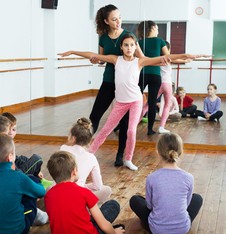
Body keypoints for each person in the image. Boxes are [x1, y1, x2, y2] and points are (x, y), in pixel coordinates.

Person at [58, 34, 202, 171]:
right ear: (121, 47)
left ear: (135, 47)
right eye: (126, 45)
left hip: (135, 100)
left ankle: (128, 159)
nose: (129, 48)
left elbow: (166, 56)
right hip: (121, 102)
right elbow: (92, 55)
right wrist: (72, 52)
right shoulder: (115, 59)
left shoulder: (140, 61)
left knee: (131, 130)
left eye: (132, 45)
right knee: (106, 129)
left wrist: (186, 55)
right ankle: (89, 154)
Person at [59, 4, 144, 168]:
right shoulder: (103, 37)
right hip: (109, 81)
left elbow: (141, 59)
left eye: (119, 17)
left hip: (128, 85)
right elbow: (100, 57)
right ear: (106, 21)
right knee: (94, 117)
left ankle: (121, 156)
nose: (118, 21)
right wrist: (93, 58)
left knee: (125, 124)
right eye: (114, 19)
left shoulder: (129, 36)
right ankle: (83, 149)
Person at [45, 150, 125, 234]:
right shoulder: (83, 192)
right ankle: (108, 232)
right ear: (74, 171)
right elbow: (103, 224)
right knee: (113, 205)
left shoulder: (48, 195)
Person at [129, 132, 203, 234]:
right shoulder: (188, 177)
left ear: (158, 152)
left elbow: (150, 206)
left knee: (135, 200)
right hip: (182, 229)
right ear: (180, 152)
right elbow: (186, 204)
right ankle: (179, 222)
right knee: (197, 198)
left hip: (156, 229)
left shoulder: (152, 178)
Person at [0, 134, 47, 234]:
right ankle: (42, 217)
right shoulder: (18, 177)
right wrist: (38, 184)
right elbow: (41, 192)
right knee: (32, 181)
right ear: (10, 157)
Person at [60, 117, 112, 204]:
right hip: (77, 197)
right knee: (107, 190)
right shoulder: (91, 157)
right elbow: (98, 186)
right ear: (89, 141)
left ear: (73, 138)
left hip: (60, 194)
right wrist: (84, 185)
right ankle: (89, 209)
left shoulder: (63, 148)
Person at [2, 112, 53, 189]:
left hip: (14, 172)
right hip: (15, 176)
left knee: (23, 159)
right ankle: (39, 180)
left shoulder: (6, 143)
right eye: (9, 129)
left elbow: (17, 159)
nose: (11, 133)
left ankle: (39, 179)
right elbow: (12, 167)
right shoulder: (6, 144)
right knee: (37, 159)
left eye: (14, 130)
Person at [137, 20, 170, 135]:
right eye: (156, 28)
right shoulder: (160, 41)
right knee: (152, 103)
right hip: (155, 76)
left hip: (142, 74)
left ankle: (124, 124)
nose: (158, 30)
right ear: (151, 28)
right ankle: (150, 130)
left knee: (132, 99)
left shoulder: (139, 42)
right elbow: (168, 57)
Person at [157, 42, 193, 133]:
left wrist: (185, 59)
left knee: (149, 104)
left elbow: (177, 59)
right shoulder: (167, 59)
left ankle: (136, 120)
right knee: (167, 105)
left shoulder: (158, 59)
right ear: (167, 50)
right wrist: (186, 60)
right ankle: (161, 127)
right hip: (167, 84)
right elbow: (177, 59)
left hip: (160, 84)